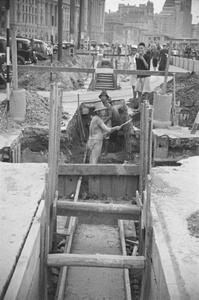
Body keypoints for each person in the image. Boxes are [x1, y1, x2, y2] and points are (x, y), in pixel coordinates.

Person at [134, 42, 151, 111]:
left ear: (144, 49)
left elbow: (147, 67)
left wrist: (143, 59)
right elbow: (137, 67)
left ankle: (145, 108)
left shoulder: (147, 56)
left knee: (146, 92)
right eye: (139, 48)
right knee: (139, 92)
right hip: (139, 76)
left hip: (146, 76)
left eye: (142, 48)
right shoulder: (137, 57)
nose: (140, 49)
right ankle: (139, 108)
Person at [99, 90, 113, 156]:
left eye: (104, 97)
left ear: (106, 98)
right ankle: (101, 149)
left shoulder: (108, 105)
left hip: (107, 122)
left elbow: (110, 116)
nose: (103, 98)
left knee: (106, 137)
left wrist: (104, 122)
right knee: (101, 136)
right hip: (101, 121)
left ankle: (106, 151)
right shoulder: (100, 105)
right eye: (102, 97)